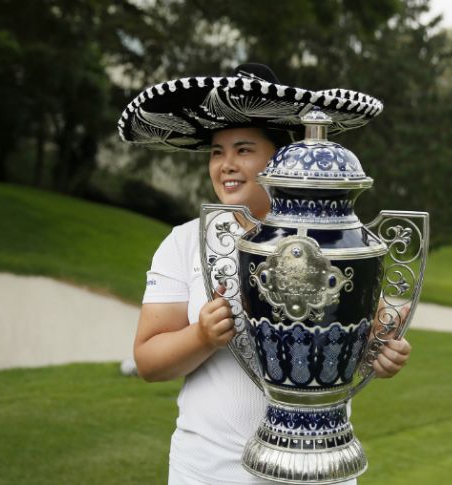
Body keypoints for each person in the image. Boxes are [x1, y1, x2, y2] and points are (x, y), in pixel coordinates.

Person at [119, 63, 412, 485]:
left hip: (315, 467)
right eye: (217, 152)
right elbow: (148, 362)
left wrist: (383, 352)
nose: (226, 165)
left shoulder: (339, 239)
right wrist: (200, 337)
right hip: (209, 470)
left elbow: (371, 332)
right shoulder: (184, 242)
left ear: (280, 159)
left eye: (243, 150)